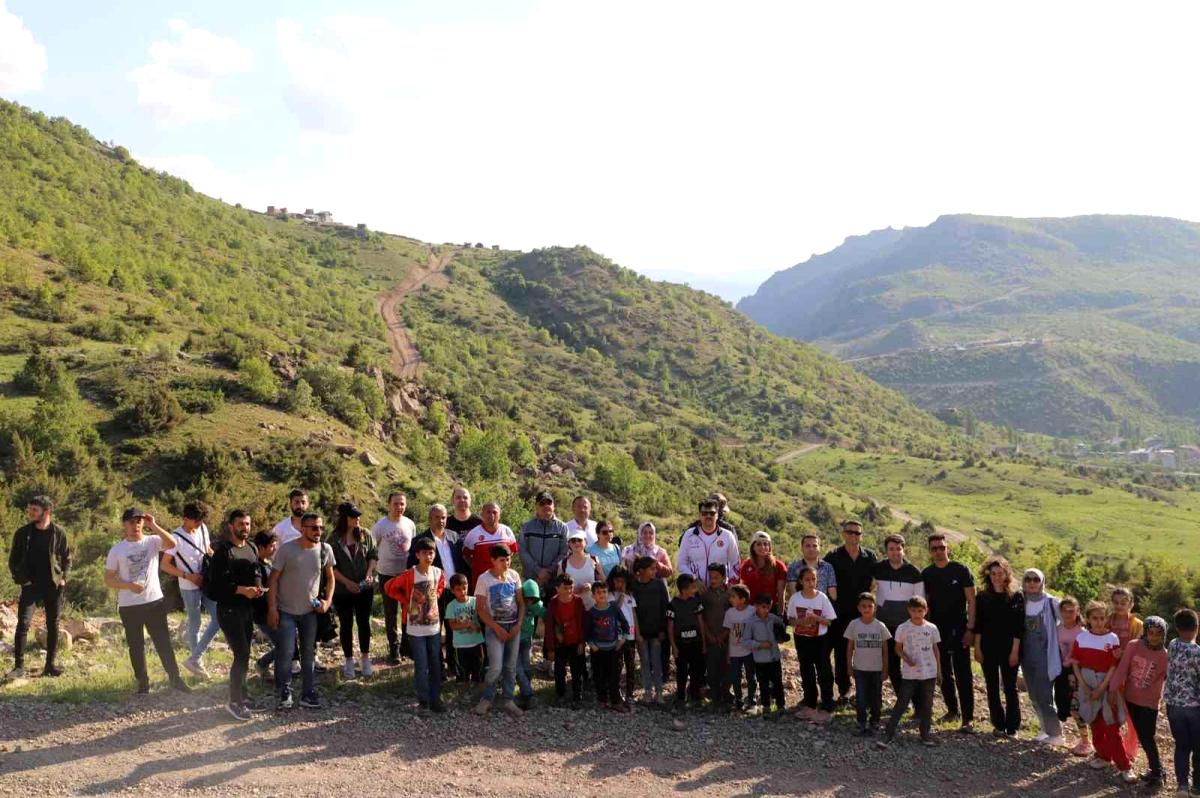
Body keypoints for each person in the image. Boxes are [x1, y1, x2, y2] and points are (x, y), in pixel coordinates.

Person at [103, 508, 190, 695]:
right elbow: (108, 579)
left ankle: (175, 679)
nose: (136, 525)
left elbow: (172, 543)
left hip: (154, 602)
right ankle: (143, 683)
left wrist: (154, 525)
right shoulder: (117, 550)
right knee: (136, 645)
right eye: (132, 522)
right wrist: (128, 585)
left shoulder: (152, 541)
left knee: (163, 642)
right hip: (129, 605)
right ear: (124, 524)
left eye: (139, 521)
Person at [268, 512, 334, 710]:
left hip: (310, 612)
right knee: (286, 653)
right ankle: (285, 692)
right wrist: (272, 608)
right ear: (302, 529)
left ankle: (308, 693)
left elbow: (331, 578)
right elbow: (273, 580)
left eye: (321, 528)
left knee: (308, 653)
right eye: (314, 527)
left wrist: (327, 602)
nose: (318, 531)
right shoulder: (287, 549)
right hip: (286, 610)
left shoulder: (325, 549)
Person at [205, 509, 266, 720]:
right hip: (229, 610)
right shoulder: (223, 552)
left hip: (247, 609)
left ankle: (243, 696)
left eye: (247, 524)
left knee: (245, 652)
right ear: (231, 526)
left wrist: (257, 588)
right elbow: (214, 588)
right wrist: (241, 590)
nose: (245, 527)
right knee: (241, 654)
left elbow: (256, 571)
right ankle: (234, 702)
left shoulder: (251, 548)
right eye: (240, 524)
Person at [1072, 600, 1136, 783]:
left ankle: (1125, 766)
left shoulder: (1112, 638)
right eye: (1095, 618)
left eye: (1102, 618)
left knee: (1111, 725)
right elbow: (1076, 663)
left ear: (1106, 618)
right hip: (1086, 683)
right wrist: (1084, 686)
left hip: (1106, 684)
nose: (1098, 622)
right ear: (1088, 619)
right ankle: (1103, 756)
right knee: (1095, 722)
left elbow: (1113, 667)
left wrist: (1101, 688)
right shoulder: (1081, 638)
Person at [8, 495, 70, 679]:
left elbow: (67, 557)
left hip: (52, 585)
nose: (30, 513)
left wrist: (64, 578)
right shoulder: (23, 533)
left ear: (46, 512)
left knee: (53, 625)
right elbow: (13, 560)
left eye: (34, 510)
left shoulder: (59, 532)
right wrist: (22, 580)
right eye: (30, 509)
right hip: (30, 586)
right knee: (23, 624)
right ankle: (19, 667)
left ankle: (50, 666)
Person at [384, 537, 447, 713]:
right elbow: (389, 587)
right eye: (425, 553)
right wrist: (405, 600)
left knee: (435, 663)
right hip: (415, 628)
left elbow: (440, 587)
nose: (429, 556)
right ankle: (423, 701)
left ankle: (436, 699)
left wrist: (435, 597)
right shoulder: (410, 574)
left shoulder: (438, 572)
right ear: (417, 555)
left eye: (431, 553)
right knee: (421, 665)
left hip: (434, 627)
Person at [921, 533, 976, 732]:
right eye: (934, 548)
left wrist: (971, 628)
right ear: (930, 551)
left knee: (964, 673)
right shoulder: (927, 574)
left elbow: (972, 601)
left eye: (941, 547)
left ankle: (968, 718)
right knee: (943, 672)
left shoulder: (961, 570)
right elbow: (923, 603)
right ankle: (952, 710)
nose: (938, 551)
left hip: (960, 628)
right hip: (936, 630)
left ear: (947, 548)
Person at [159, 501, 219, 679]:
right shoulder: (175, 538)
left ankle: (194, 658)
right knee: (195, 623)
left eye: (201, 520)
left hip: (206, 581)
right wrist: (187, 576)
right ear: (185, 518)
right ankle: (197, 665)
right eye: (196, 520)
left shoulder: (203, 528)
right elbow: (165, 565)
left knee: (219, 617)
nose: (200, 523)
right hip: (188, 586)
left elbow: (206, 549)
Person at [408, 504, 468, 678]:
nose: (440, 521)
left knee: (453, 630)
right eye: (436, 517)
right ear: (430, 519)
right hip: (432, 593)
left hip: (453, 591)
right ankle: (438, 668)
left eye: (443, 517)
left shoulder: (454, 537)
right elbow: (411, 568)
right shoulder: (420, 540)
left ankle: (453, 665)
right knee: (435, 630)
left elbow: (461, 563)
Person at [1111, 615, 1168, 789]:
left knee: (1147, 737)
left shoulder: (1165, 655)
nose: (1154, 636)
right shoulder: (1133, 646)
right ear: (1146, 632)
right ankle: (1156, 770)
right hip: (1130, 698)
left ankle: (1158, 772)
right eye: (1151, 632)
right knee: (1139, 735)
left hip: (1150, 703)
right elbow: (1123, 668)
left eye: (1159, 633)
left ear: (1164, 634)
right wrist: (1113, 689)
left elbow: (1169, 679)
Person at [825, 519, 878, 703]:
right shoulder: (832, 556)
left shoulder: (869, 557)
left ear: (861, 536)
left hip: (863, 613)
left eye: (857, 533)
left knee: (866, 650)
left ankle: (867, 691)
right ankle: (844, 691)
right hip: (840, 612)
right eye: (850, 532)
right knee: (841, 652)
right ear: (843, 534)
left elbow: (875, 581)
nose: (853, 536)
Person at [877, 596, 941, 749]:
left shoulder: (932, 628)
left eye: (920, 611)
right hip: (910, 673)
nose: (917, 614)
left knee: (927, 705)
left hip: (929, 672)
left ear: (925, 611)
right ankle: (889, 734)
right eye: (913, 610)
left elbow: (936, 649)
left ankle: (925, 734)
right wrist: (906, 658)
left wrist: (939, 670)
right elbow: (897, 648)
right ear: (908, 611)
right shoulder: (903, 628)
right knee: (901, 703)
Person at [473, 545, 526, 717]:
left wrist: (518, 625)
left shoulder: (514, 576)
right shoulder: (484, 579)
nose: (506, 563)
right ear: (493, 560)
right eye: (502, 560)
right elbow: (480, 609)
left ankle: (508, 699)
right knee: (496, 666)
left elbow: (520, 602)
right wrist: (496, 628)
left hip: (513, 626)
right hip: (495, 627)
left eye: (508, 559)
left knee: (510, 666)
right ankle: (487, 698)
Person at [974, 556, 1023, 736]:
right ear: (989, 575)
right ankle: (998, 724)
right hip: (987, 647)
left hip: (1010, 648)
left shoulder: (1016, 596)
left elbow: (1019, 628)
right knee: (992, 686)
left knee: (1010, 687)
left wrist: (1015, 651)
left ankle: (1013, 727)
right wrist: (977, 648)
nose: (996, 577)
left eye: (1000, 573)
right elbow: (978, 625)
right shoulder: (982, 597)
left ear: (1006, 574)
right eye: (993, 573)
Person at [330, 503, 378, 679]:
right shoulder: (334, 539)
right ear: (344, 518)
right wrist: (346, 582)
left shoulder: (365, 534)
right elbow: (330, 566)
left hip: (364, 588)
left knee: (364, 622)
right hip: (343, 590)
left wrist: (369, 573)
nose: (357, 519)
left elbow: (373, 555)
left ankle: (365, 658)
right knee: (346, 624)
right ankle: (349, 659)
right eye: (353, 516)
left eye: (358, 516)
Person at [871, 534, 924, 688]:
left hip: (907, 626)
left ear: (904, 550)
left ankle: (915, 699)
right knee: (891, 663)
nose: (895, 552)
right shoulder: (877, 569)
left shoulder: (913, 572)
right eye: (891, 549)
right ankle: (900, 698)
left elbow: (920, 600)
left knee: (910, 662)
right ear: (886, 551)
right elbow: (869, 592)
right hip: (884, 624)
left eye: (898, 549)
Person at [1021, 568, 1065, 746]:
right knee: (1032, 694)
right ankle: (1044, 728)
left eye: (1036, 579)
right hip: (1026, 654)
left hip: (1046, 655)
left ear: (1042, 581)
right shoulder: (1021, 601)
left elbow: (1068, 621)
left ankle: (1056, 734)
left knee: (1045, 695)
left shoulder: (1052, 602)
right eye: (1028, 579)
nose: (1032, 583)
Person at [787, 565, 837, 722]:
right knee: (806, 671)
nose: (811, 582)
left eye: (813, 579)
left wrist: (817, 619)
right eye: (807, 579)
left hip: (820, 640)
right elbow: (791, 620)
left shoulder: (822, 597)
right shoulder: (795, 598)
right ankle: (810, 705)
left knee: (824, 671)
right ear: (801, 581)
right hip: (802, 639)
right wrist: (802, 621)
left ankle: (828, 706)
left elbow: (829, 621)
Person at [371, 491, 415, 665]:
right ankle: (394, 649)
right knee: (390, 613)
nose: (399, 507)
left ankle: (406, 645)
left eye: (402, 504)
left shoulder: (410, 524)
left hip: (405, 575)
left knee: (408, 612)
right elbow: (372, 548)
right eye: (396, 504)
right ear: (389, 505)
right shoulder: (380, 526)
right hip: (387, 575)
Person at [844, 592, 890, 735]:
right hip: (860, 669)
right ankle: (861, 722)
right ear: (858, 608)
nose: (867, 609)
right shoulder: (854, 624)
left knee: (876, 697)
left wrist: (885, 669)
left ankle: (875, 722)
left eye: (870, 606)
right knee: (861, 697)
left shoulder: (880, 626)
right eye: (863, 606)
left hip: (876, 669)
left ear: (875, 608)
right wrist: (849, 666)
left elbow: (885, 650)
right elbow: (850, 647)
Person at [1166, 608, 1200, 794]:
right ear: (1197, 628)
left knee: (1181, 746)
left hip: (1174, 705)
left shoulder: (1172, 644)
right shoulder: (1198, 652)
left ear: (1177, 628)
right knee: (1198, 748)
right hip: (1194, 707)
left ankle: (1182, 786)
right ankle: (1197, 787)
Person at [1109, 585, 1145, 763]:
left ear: (1131, 604)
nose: (1119, 606)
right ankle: (1111, 747)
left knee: (1131, 712)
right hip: (1108, 670)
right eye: (1116, 602)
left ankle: (1130, 750)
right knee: (1110, 709)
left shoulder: (1137, 625)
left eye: (1123, 602)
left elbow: (1140, 648)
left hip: (1130, 673)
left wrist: (1124, 653)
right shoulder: (1107, 620)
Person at [1054, 596, 1093, 757]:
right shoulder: (1057, 629)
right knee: (1065, 705)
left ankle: (1086, 741)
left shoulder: (1083, 632)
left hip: (1078, 673)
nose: (1068, 614)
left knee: (1077, 708)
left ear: (1078, 612)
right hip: (1061, 672)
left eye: (1072, 611)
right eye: (1065, 611)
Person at [585, 580, 629, 712]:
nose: (602, 594)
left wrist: (622, 639)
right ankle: (602, 700)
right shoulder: (591, 612)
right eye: (598, 592)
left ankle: (615, 701)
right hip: (598, 650)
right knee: (599, 676)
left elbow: (625, 624)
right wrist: (592, 645)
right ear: (593, 595)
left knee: (614, 676)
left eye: (604, 591)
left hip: (613, 648)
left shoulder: (614, 608)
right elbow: (587, 631)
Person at [630, 555, 669, 705]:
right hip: (641, 632)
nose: (655, 571)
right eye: (652, 569)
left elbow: (665, 607)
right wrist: (636, 633)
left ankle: (659, 692)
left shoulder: (659, 585)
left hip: (656, 631)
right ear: (641, 571)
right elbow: (632, 609)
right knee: (645, 662)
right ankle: (647, 691)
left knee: (657, 662)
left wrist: (662, 629)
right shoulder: (634, 586)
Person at [677, 498, 741, 582]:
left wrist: (730, 585)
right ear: (699, 515)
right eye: (704, 513)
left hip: (720, 591)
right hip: (695, 589)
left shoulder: (727, 536)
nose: (708, 516)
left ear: (717, 515)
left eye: (712, 513)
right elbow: (681, 564)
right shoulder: (689, 535)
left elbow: (736, 564)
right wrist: (694, 580)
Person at [546, 572, 586, 707]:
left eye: (571, 588)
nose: (568, 591)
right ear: (557, 588)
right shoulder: (553, 604)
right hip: (560, 643)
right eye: (565, 588)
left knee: (577, 670)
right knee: (559, 670)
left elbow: (582, 623)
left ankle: (577, 696)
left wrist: (582, 642)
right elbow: (549, 627)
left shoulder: (578, 602)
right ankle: (560, 695)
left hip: (575, 641)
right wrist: (550, 648)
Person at [744, 594, 787, 718]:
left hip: (774, 657)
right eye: (763, 607)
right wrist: (760, 644)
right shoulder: (751, 622)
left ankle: (781, 706)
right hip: (760, 659)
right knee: (763, 684)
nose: (766, 610)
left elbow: (782, 629)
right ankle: (766, 706)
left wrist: (781, 636)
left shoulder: (773, 619)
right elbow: (746, 641)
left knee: (778, 683)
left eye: (768, 607)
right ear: (756, 606)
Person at [519, 491, 569, 594]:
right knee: (530, 609)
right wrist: (538, 570)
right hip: (531, 579)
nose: (546, 506)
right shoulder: (527, 527)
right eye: (542, 503)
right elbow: (522, 550)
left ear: (554, 506)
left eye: (549, 503)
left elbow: (564, 552)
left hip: (554, 580)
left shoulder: (562, 528)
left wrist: (549, 571)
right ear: (536, 507)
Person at [668, 573, 705, 709]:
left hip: (696, 643)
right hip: (680, 644)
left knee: (696, 671)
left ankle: (695, 697)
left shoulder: (696, 602)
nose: (695, 590)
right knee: (681, 672)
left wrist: (704, 643)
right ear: (684, 590)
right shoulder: (673, 604)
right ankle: (680, 697)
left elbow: (701, 622)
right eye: (692, 587)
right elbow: (670, 627)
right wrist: (673, 646)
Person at [461, 502, 517, 592]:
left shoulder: (507, 531)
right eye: (488, 512)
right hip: (482, 583)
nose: (491, 515)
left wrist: (502, 565)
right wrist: (475, 567)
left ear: (499, 515)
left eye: (495, 512)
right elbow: (465, 555)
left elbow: (512, 551)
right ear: (482, 514)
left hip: (503, 581)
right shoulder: (474, 533)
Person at [700, 563, 732, 710]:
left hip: (727, 637)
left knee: (727, 668)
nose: (713, 580)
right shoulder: (705, 595)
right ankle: (714, 698)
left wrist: (724, 634)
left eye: (716, 577)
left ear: (724, 578)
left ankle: (726, 695)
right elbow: (702, 618)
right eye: (711, 577)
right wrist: (710, 636)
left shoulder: (730, 595)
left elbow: (733, 616)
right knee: (712, 669)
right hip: (711, 638)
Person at [445, 573, 484, 683]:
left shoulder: (475, 601)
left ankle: (477, 688)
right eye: (458, 589)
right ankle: (464, 690)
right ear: (452, 591)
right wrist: (467, 625)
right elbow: (452, 625)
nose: (462, 592)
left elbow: (482, 619)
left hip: (476, 642)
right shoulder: (451, 606)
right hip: (461, 645)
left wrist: (477, 627)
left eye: (464, 588)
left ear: (468, 586)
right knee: (464, 669)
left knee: (478, 667)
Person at [251, 531, 280, 680]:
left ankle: (267, 667)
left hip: (272, 610)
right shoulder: (256, 565)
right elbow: (259, 590)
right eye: (271, 546)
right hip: (264, 613)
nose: (274, 549)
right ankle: (263, 665)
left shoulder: (266, 563)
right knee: (284, 645)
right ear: (261, 547)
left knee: (285, 644)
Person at [724, 584, 757, 713]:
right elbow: (727, 633)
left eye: (733, 596)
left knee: (751, 676)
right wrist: (727, 652)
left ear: (743, 599)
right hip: (734, 652)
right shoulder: (729, 613)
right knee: (735, 677)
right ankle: (738, 701)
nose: (730, 599)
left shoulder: (752, 611)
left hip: (749, 651)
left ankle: (752, 701)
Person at [607, 566, 638, 707]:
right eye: (617, 581)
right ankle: (616, 693)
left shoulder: (631, 596)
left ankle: (630, 693)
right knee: (617, 666)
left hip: (631, 636)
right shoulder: (611, 595)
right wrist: (621, 595)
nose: (619, 584)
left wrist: (638, 633)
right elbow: (615, 609)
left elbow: (634, 615)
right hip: (618, 637)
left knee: (631, 665)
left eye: (622, 581)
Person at [739, 531, 787, 615]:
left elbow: (781, 593)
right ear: (753, 547)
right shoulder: (746, 565)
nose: (763, 547)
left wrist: (780, 614)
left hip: (771, 610)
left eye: (766, 544)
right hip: (750, 610)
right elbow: (743, 591)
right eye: (759, 544)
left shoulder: (778, 566)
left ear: (770, 547)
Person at [786, 533, 838, 603]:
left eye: (814, 546)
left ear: (819, 548)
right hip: (800, 607)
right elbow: (793, 593)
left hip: (822, 608)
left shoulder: (828, 568)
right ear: (802, 548)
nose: (811, 549)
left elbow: (833, 595)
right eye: (807, 546)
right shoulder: (793, 567)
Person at [517, 578, 544, 709]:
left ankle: (525, 691)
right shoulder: (515, 604)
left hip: (527, 640)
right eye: (527, 599)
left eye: (532, 599)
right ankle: (529, 695)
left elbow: (546, 614)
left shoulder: (535, 605)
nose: (529, 602)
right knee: (518, 669)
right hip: (514, 640)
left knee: (527, 666)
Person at [559, 530, 604, 609]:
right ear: (569, 544)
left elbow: (603, 581)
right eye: (573, 541)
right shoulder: (563, 563)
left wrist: (592, 586)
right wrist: (572, 589)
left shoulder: (594, 560)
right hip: (571, 608)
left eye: (579, 540)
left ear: (585, 542)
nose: (576, 543)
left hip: (592, 607)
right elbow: (558, 587)